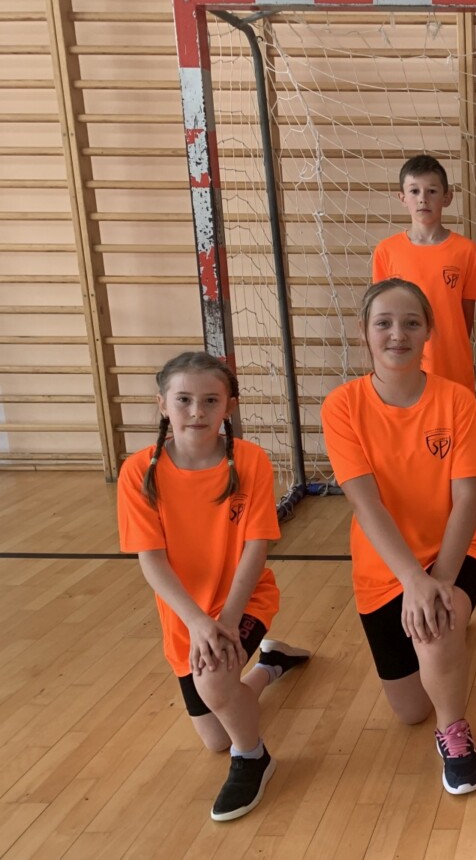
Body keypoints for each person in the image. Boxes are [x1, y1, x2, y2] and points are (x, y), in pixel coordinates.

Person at [117, 352, 309, 821]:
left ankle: (253, 758)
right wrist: (198, 623)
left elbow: (257, 548)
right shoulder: (139, 472)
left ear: (229, 406)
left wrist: (225, 620)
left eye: (210, 400)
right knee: (215, 735)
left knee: (218, 688)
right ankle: (271, 665)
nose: (197, 411)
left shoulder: (250, 461)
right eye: (184, 399)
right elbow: (152, 561)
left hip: (243, 601)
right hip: (186, 616)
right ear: (163, 404)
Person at [321, 278, 476, 795]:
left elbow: (467, 498)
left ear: (429, 330)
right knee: (410, 710)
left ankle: (454, 733)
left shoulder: (456, 400)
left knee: (436, 625)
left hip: (450, 555)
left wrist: (439, 581)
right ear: (364, 331)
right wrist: (412, 580)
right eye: (384, 323)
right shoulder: (341, 406)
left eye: (412, 322)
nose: (398, 334)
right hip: (385, 568)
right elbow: (365, 503)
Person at [371, 154, 476, 391]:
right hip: (404, 368)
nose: (423, 198)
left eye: (431, 191)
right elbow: (382, 315)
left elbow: (465, 318)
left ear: (447, 197)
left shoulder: (467, 251)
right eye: (414, 191)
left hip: (452, 368)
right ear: (402, 198)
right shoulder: (386, 251)